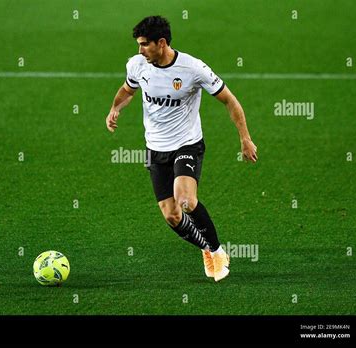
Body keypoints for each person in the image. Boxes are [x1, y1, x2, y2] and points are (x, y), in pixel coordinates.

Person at [105, 16, 258, 282]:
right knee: (172, 215)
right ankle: (205, 248)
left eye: (144, 45)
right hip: (155, 148)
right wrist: (115, 108)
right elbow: (127, 90)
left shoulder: (193, 69)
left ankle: (218, 251)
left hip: (187, 143)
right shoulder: (138, 65)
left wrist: (245, 138)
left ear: (161, 43)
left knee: (185, 201)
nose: (140, 50)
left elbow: (230, 100)